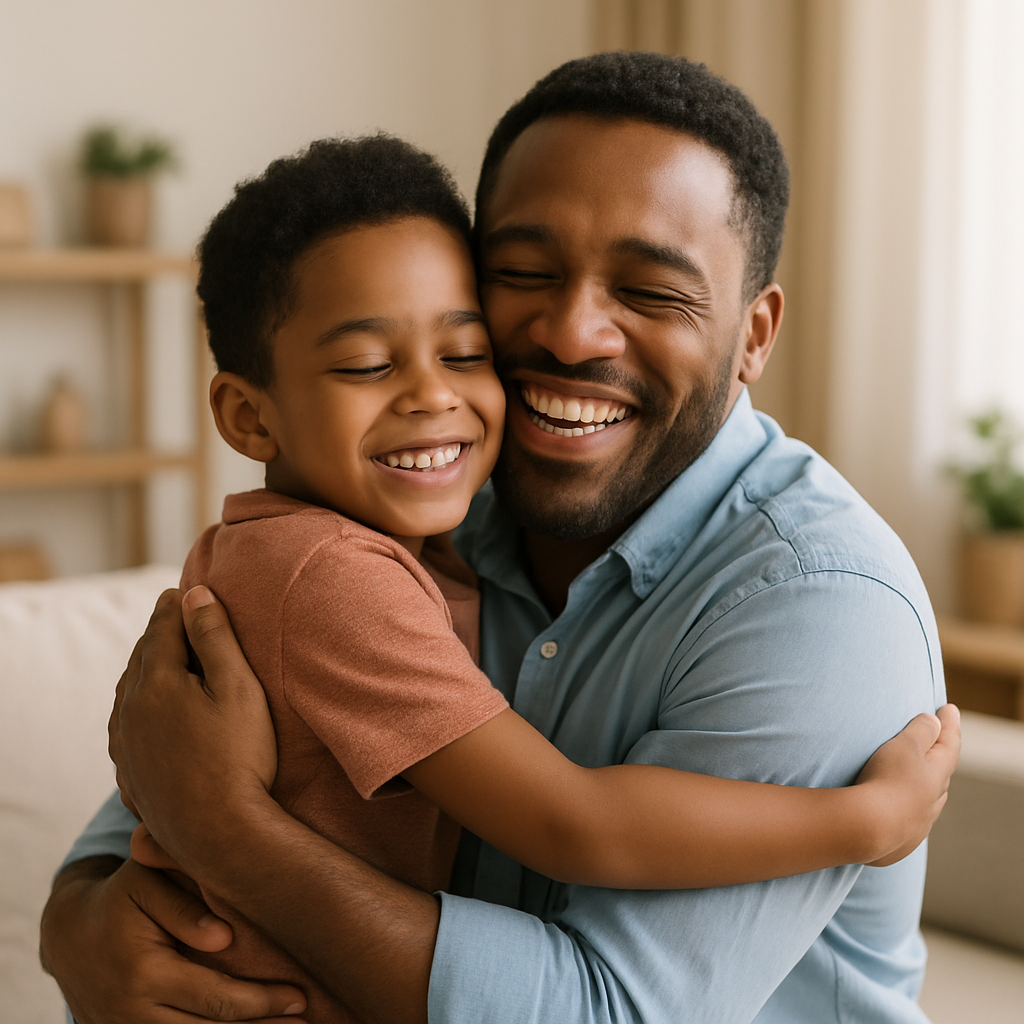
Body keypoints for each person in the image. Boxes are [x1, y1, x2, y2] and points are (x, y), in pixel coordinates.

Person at [42, 52, 960, 1024]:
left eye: (652, 291)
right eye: (523, 274)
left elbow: (603, 1011)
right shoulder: (414, 509)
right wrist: (77, 924)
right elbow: (170, 783)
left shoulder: (818, 601)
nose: (570, 333)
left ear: (755, 334)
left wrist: (232, 835)